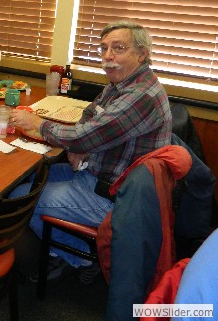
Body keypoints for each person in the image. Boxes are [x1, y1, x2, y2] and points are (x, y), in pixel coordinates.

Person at [9, 20, 172, 281]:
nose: (108, 56)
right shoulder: (121, 82)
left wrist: (40, 124)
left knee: (17, 199)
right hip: (95, 173)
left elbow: (87, 134)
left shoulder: (142, 95)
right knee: (28, 179)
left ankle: (78, 257)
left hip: (112, 195)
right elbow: (90, 114)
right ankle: (70, 252)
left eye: (118, 48)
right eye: (104, 48)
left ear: (142, 54)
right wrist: (79, 147)